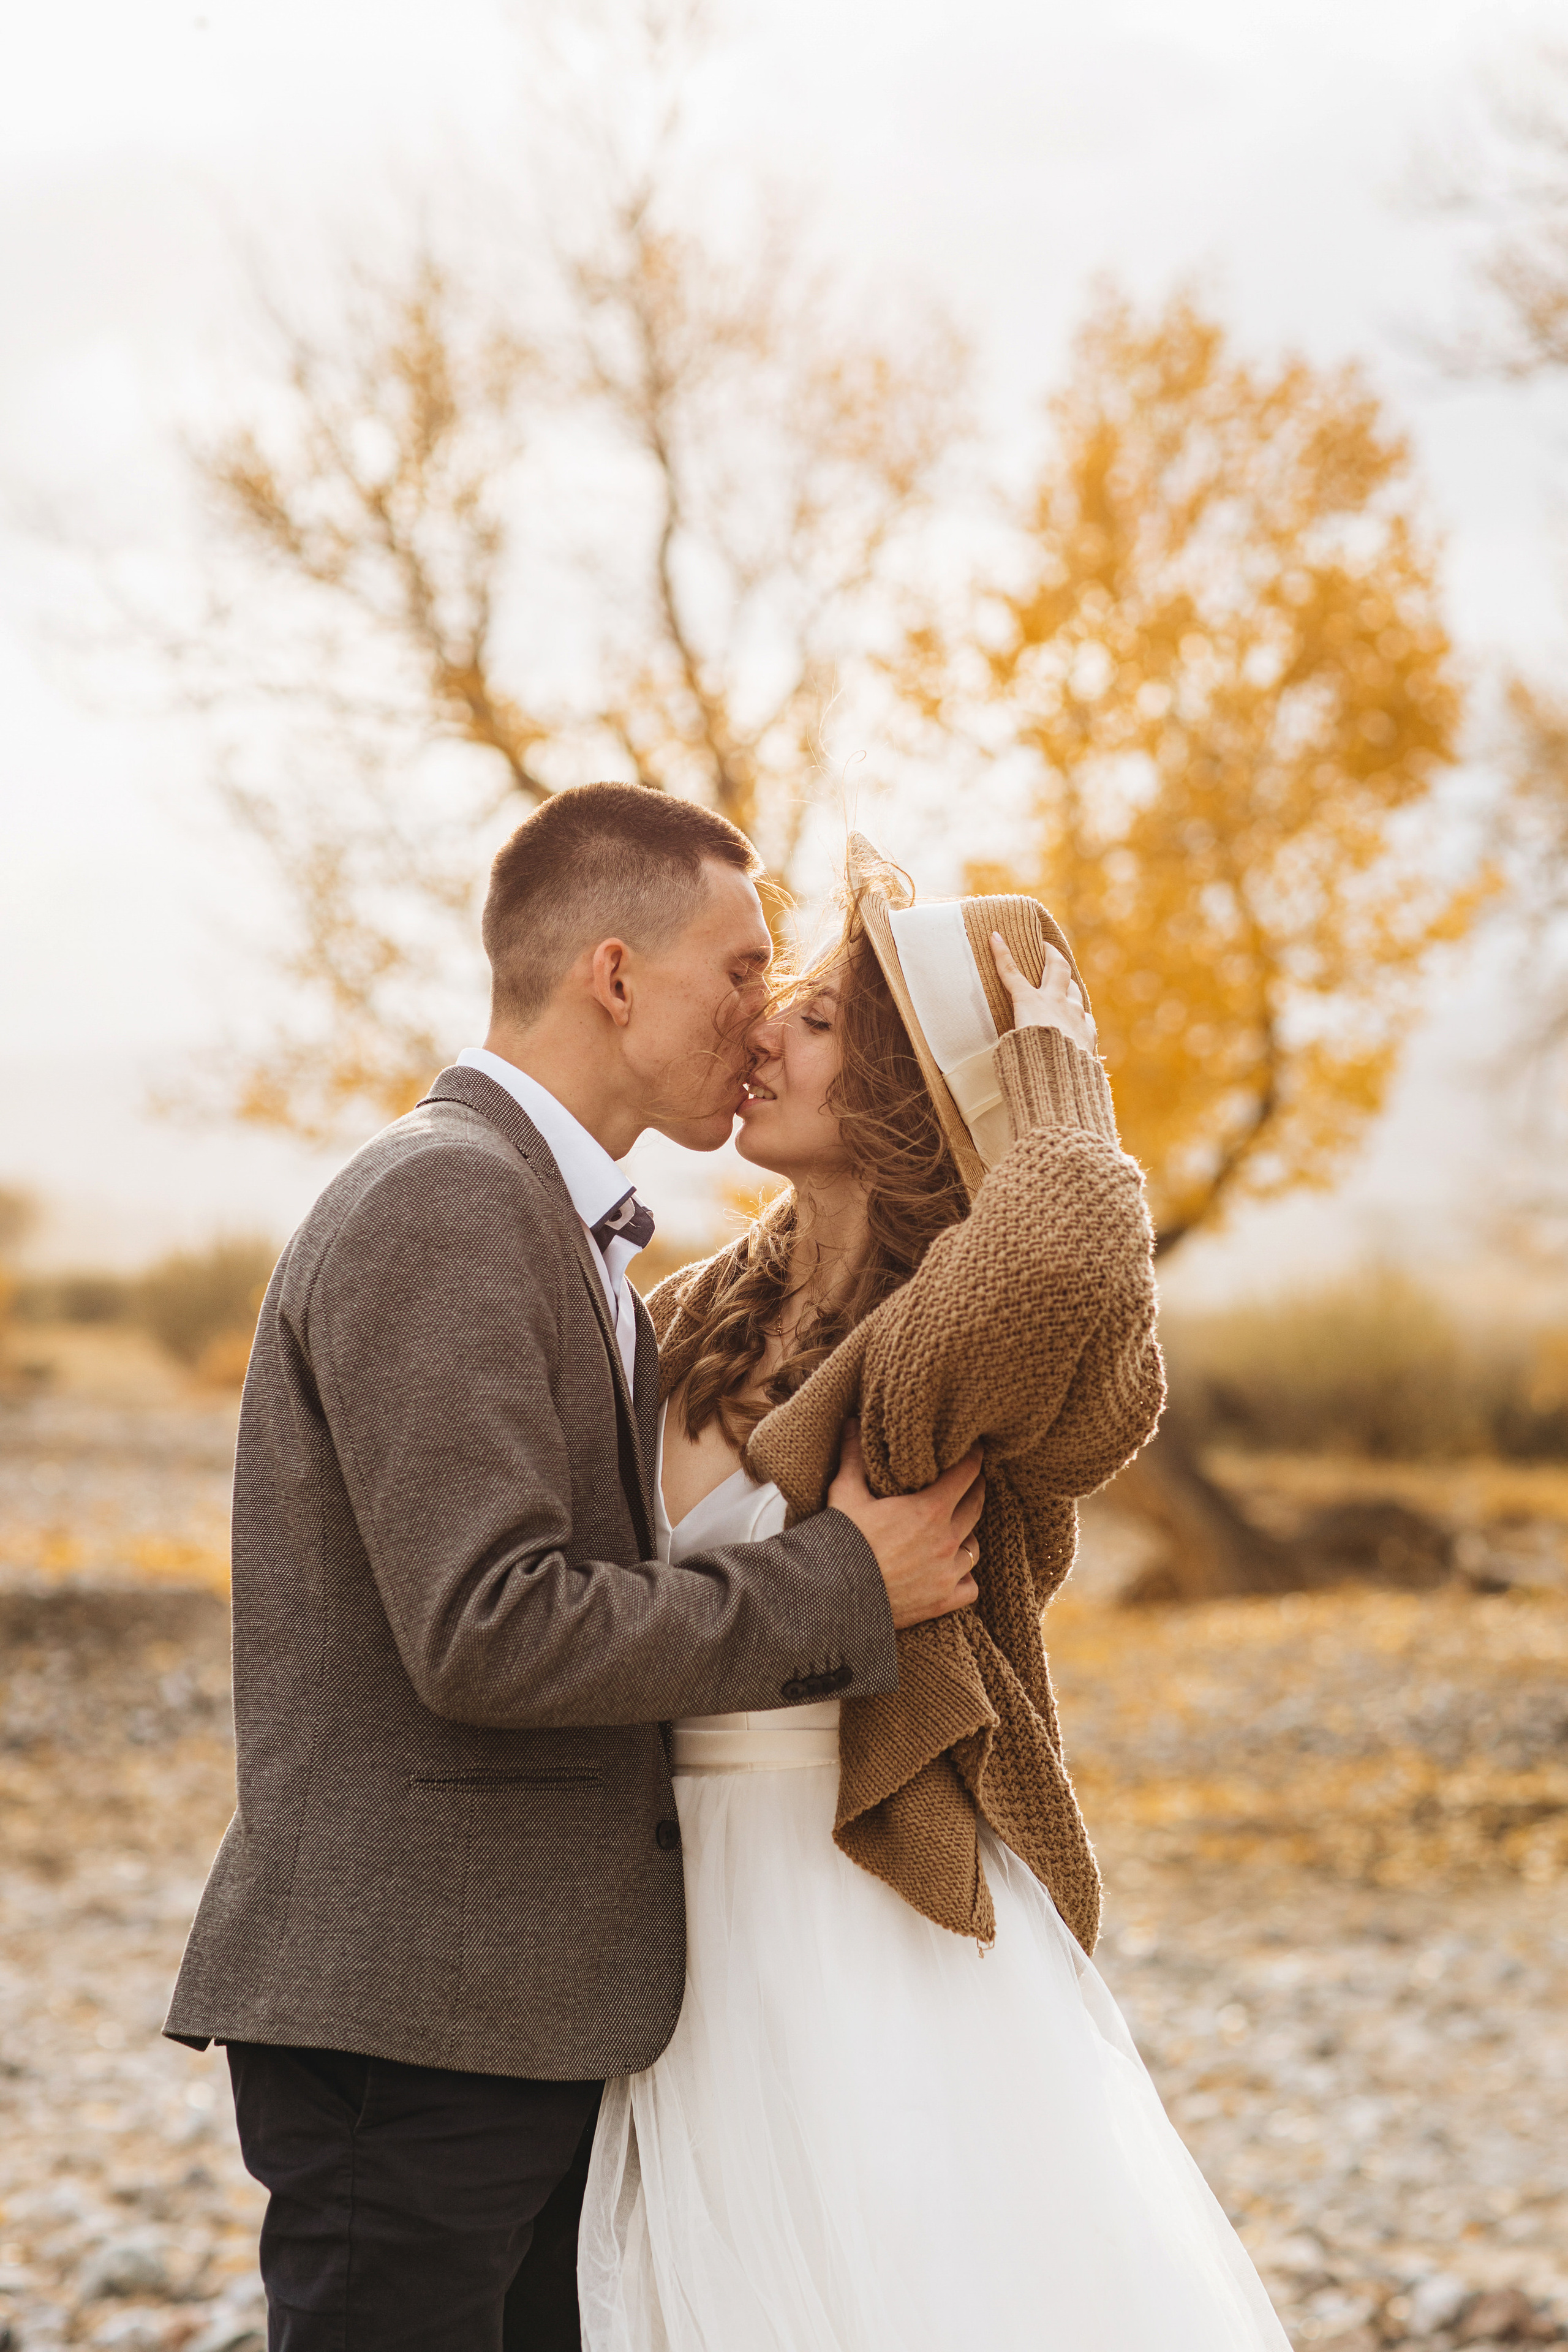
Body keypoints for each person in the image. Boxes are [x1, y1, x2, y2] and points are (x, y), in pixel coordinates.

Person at [162, 786, 986, 2352]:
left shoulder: (556, 1226)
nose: (761, 1019)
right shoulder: (449, 1201)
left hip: (501, 2014)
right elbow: (490, 1630)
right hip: (415, 2021)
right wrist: (839, 1588)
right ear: (615, 975)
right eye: (740, 969)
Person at [578, 837, 1292, 2352]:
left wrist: (1044, 1085)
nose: (764, 1028)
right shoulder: (694, 1313)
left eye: (822, 1019)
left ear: (920, 1094)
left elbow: (1069, 1238)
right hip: (660, 1900)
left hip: (853, 1904)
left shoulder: (935, 1352)